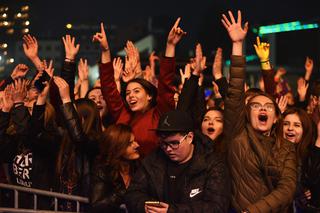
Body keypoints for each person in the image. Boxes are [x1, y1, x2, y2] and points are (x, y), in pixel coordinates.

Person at [222, 10, 297, 212]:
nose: (263, 108)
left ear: (275, 119)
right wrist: (237, 44)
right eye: (256, 105)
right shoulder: (237, 135)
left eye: (268, 106)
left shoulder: (286, 148)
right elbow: (236, 89)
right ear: (247, 113)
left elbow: (287, 188)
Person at [94, 19, 183, 156]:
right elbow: (108, 87)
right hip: (124, 172)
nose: (131, 96)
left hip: (152, 174)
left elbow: (166, 83)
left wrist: (170, 45)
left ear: (149, 95)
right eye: (128, 92)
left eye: (136, 91)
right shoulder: (123, 114)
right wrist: (105, 50)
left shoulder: (159, 114)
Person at [125, 110, 230, 212]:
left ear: (189, 137)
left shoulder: (212, 164)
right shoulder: (153, 159)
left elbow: (217, 207)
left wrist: (171, 211)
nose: (168, 149)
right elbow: (133, 193)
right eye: (164, 144)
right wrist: (147, 207)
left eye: (174, 143)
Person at [90, 124, 140, 213]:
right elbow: (98, 206)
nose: (137, 145)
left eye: (135, 140)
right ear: (117, 148)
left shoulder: (138, 166)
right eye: (129, 144)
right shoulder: (102, 170)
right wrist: (124, 192)